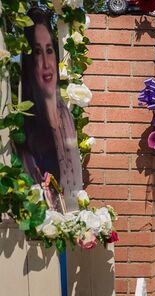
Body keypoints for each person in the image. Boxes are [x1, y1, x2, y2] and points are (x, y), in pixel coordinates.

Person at [16, 7, 83, 212]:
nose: (46, 63)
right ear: (30, 61)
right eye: (37, 52)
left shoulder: (65, 115)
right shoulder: (24, 125)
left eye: (49, 50)